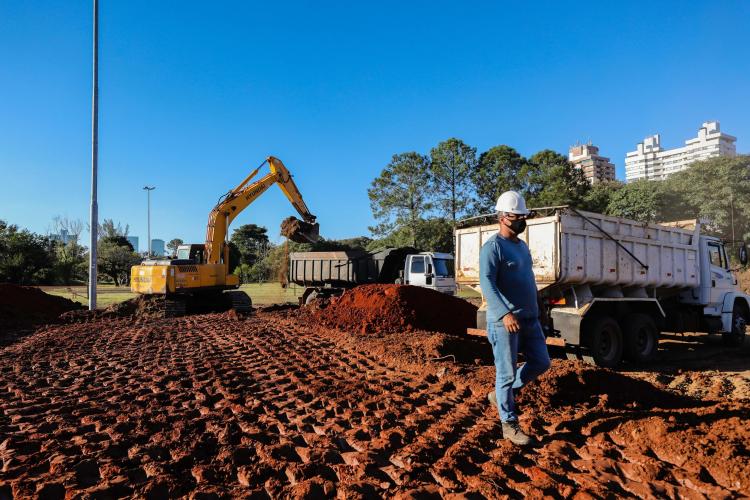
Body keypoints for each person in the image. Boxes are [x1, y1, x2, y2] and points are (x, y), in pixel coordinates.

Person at [479, 191, 551, 446]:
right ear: (501, 217)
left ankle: (501, 395)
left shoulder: (521, 246)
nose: (522, 220)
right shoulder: (492, 248)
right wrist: (505, 313)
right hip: (505, 322)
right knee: (505, 374)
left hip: (530, 318)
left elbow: (528, 279)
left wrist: (540, 306)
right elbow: (486, 284)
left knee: (542, 362)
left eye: (524, 216)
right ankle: (509, 425)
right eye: (516, 216)